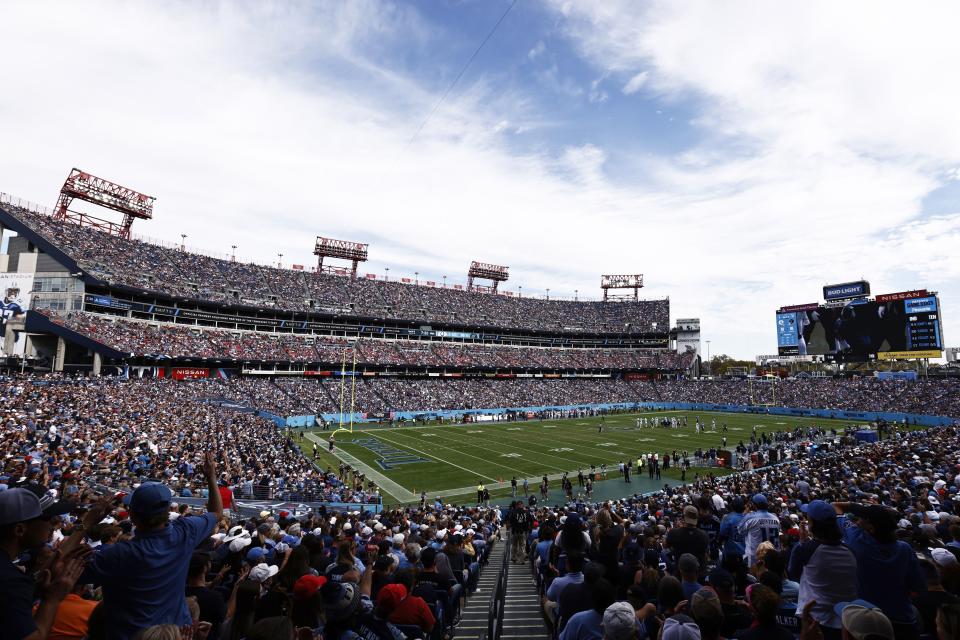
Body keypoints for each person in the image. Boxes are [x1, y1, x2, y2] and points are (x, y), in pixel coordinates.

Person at [85, 452, 223, 640]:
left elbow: (59, 567)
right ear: (168, 511)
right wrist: (211, 476)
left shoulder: (116, 554)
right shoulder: (184, 532)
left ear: (132, 515)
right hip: (176, 634)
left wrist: (85, 524)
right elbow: (216, 512)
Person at [0, 488, 88, 640]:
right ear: (20, 530)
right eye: (48, 518)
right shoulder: (11, 582)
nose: (51, 524)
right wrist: (52, 599)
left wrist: (37, 586)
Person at [833, 502, 925, 638]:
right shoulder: (904, 549)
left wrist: (857, 505)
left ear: (870, 527)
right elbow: (918, 586)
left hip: (869, 619)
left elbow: (836, 506)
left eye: (860, 519)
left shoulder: (858, 541)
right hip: (902, 617)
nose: (857, 522)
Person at [788, 500, 858, 638]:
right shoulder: (849, 550)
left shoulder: (807, 549)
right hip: (847, 621)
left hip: (817, 619)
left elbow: (793, 574)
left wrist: (802, 544)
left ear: (813, 523)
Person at [739, 494, 781, 566]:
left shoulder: (750, 517)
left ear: (754, 505)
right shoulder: (775, 518)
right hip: (772, 558)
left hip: (754, 558)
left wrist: (745, 513)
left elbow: (740, 531)